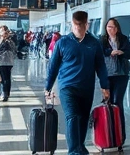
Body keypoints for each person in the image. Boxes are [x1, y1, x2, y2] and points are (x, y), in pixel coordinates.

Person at [45, 11, 110, 155]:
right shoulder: (63, 42)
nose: (78, 28)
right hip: (67, 87)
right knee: (73, 116)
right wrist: (48, 87)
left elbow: (100, 66)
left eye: (81, 25)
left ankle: (80, 147)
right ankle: (74, 151)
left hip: (86, 87)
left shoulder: (94, 43)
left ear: (87, 24)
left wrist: (105, 86)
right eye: (76, 25)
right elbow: (53, 66)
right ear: (71, 25)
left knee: (83, 119)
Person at [100, 18, 130, 145]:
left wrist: (122, 52)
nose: (111, 29)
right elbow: (100, 53)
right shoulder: (102, 40)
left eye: (113, 27)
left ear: (117, 28)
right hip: (107, 76)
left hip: (121, 75)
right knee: (107, 102)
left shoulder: (123, 39)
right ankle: (108, 133)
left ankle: (120, 136)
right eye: (109, 27)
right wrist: (110, 52)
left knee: (117, 102)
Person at [0, 26, 17, 101]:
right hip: (0, 61)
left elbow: (14, 49)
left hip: (8, 61)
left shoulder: (11, 39)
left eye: (4, 31)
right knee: (2, 78)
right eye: (1, 31)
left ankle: (6, 94)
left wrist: (8, 40)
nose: (3, 33)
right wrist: (1, 39)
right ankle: (4, 93)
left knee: (7, 78)